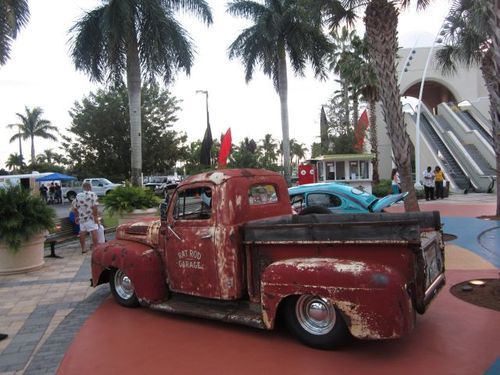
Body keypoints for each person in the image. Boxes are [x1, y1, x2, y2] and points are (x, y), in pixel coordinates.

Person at [72, 181, 99, 254]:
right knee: (94, 231)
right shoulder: (93, 194)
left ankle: (83, 248)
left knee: (82, 232)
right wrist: (96, 217)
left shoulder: (78, 195)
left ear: (83, 187)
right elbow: (95, 207)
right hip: (90, 217)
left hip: (82, 218)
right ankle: (96, 248)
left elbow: (75, 208)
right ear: (90, 187)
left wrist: (77, 216)